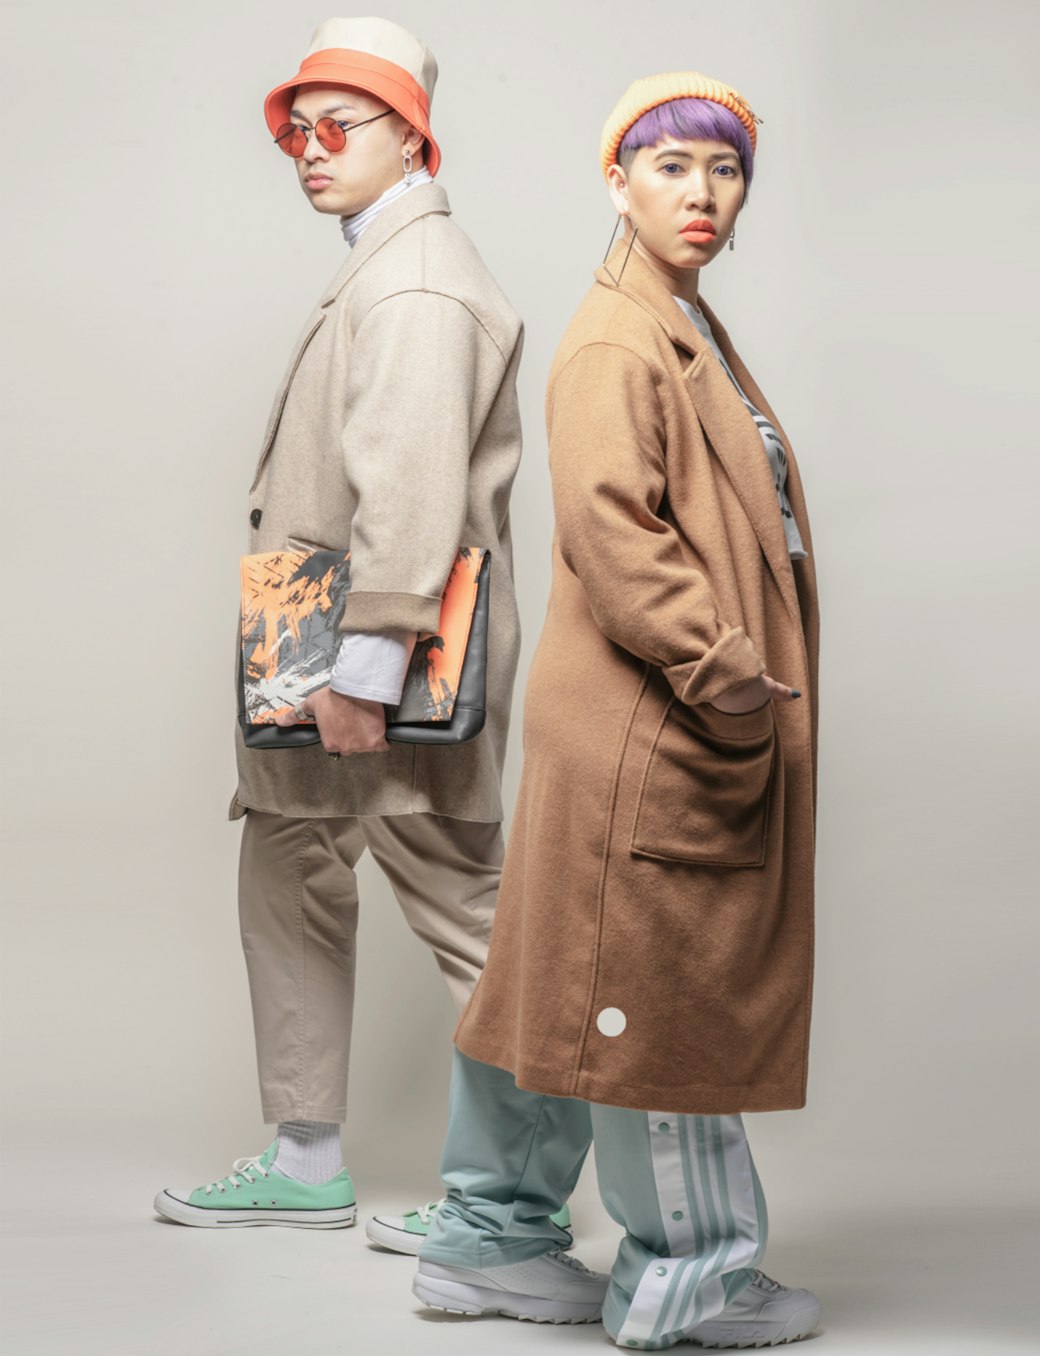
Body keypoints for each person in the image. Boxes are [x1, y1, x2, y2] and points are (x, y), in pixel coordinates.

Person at [412, 72, 824, 1350]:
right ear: (617, 180)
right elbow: (613, 532)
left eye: (726, 169)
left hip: (625, 721)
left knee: (558, 971)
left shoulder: (673, 319)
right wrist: (723, 673)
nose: (703, 194)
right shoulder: (617, 338)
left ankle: (488, 1238)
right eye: (671, 166)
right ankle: (689, 1281)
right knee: (655, 989)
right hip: (658, 721)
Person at [153, 16, 526, 1232]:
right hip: (317, 651)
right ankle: (309, 1161)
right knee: (291, 865)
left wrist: (365, 671)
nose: (310, 149)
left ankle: (522, 1202)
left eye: (339, 126)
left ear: (411, 137)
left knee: (472, 914)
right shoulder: (384, 260)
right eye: (296, 132)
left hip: (372, 663)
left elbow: (409, 482)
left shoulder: (415, 280)